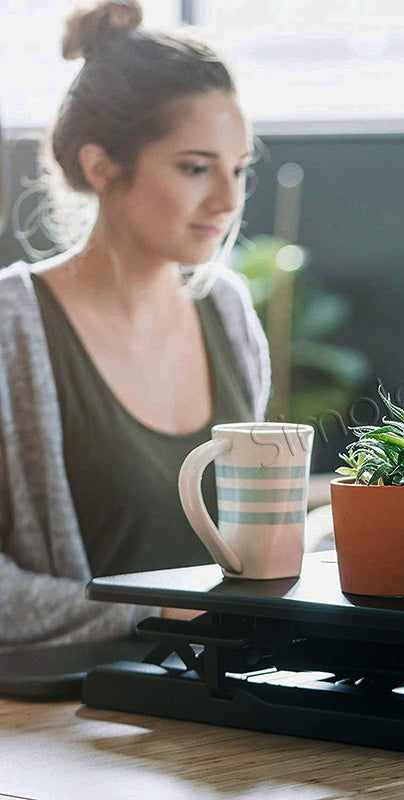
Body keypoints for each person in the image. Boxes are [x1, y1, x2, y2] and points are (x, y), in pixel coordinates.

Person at [0, 0, 270, 648]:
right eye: (195, 167)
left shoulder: (228, 312)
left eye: (238, 169)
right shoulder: (14, 329)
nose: (228, 202)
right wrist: (155, 614)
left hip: (231, 701)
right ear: (101, 167)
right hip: (71, 724)